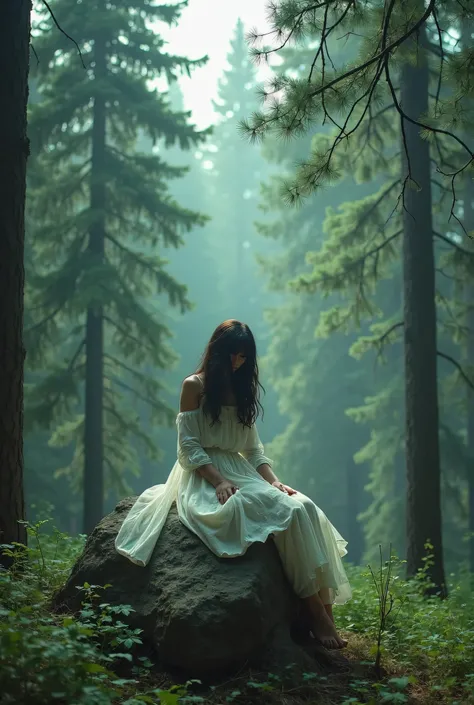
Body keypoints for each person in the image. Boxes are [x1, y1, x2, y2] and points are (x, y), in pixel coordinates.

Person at [115, 320, 351, 650]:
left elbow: (253, 450)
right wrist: (218, 480)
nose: (238, 363)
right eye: (233, 355)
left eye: (244, 357)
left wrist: (275, 482)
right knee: (270, 511)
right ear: (218, 352)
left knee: (305, 506)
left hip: (240, 470)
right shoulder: (194, 386)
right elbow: (189, 446)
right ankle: (315, 611)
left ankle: (326, 612)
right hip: (202, 473)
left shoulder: (242, 390)